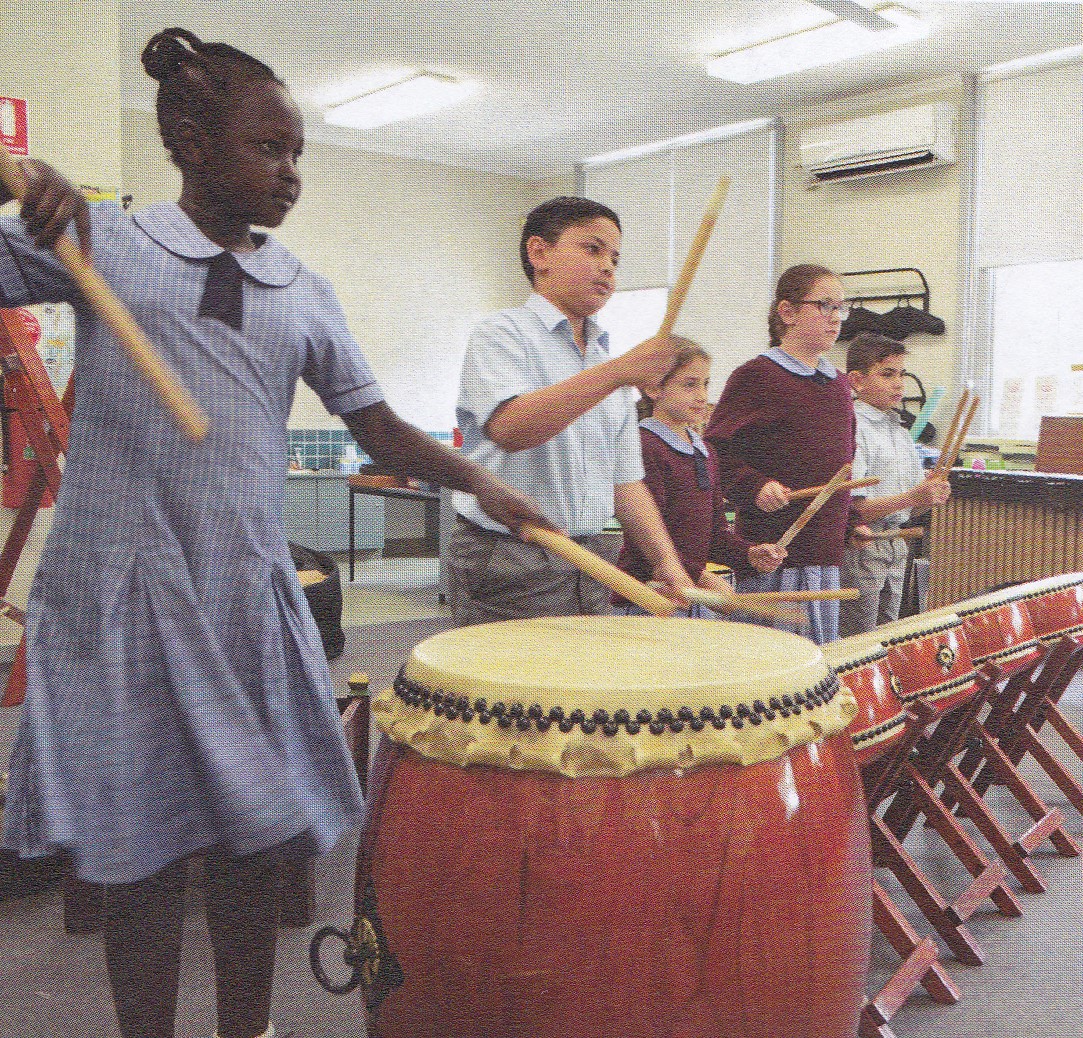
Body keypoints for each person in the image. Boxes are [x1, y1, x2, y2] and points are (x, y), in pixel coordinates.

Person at [0, 28, 552, 1038]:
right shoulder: (104, 247)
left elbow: (376, 425)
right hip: (120, 601)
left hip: (241, 599)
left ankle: (248, 1029)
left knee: (257, 847)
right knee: (141, 859)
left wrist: (478, 479)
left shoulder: (302, 290)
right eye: (269, 149)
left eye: (297, 153)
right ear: (190, 140)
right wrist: (25, 188)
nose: (290, 173)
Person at [449, 195, 696, 623]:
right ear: (539, 253)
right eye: (592, 249)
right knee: (518, 688)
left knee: (582, 684)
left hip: (594, 556)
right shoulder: (502, 334)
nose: (608, 268)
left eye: (615, 259)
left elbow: (626, 482)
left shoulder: (606, 361)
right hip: (511, 559)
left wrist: (665, 562)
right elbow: (512, 428)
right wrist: (620, 372)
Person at [704, 263, 871, 644]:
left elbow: (838, 470)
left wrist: (848, 522)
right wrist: (754, 486)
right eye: (824, 306)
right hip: (772, 551)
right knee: (770, 670)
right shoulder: (757, 376)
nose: (836, 318)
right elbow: (714, 451)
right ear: (788, 312)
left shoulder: (838, 385)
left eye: (840, 308)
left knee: (814, 671)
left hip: (824, 553)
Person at [614, 339, 786, 615]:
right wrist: (702, 577)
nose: (701, 396)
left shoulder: (704, 451)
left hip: (689, 590)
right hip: (650, 596)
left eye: (705, 384)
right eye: (689, 384)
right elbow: (643, 538)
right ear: (653, 388)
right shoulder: (645, 446)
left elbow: (714, 533)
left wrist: (748, 553)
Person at [839, 333, 951, 636]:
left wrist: (928, 496)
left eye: (901, 374)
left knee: (887, 637)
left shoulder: (901, 432)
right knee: (858, 641)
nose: (899, 383)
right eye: (887, 374)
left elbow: (911, 507)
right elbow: (855, 510)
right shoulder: (854, 428)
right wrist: (912, 496)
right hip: (862, 545)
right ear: (857, 381)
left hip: (895, 544)